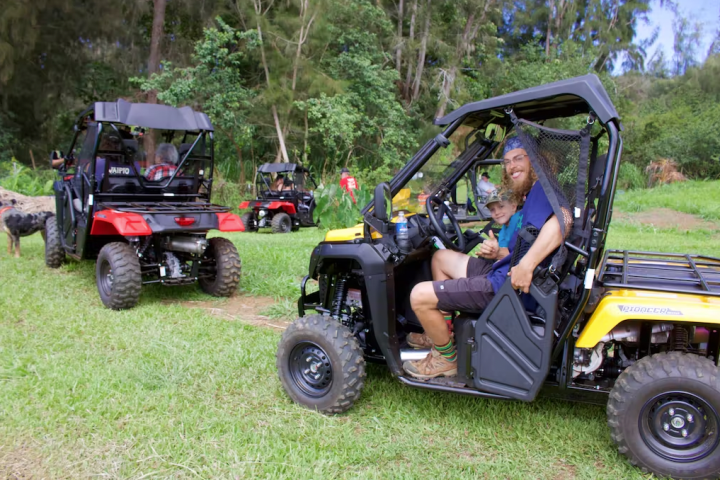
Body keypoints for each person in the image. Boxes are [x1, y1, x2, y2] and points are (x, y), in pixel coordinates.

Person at [402, 136, 568, 379]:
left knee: (418, 295)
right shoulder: (532, 193)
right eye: (507, 162)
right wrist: (505, 255)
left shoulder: (544, 189)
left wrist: (528, 264)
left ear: (536, 161)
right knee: (441, 258)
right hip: (501, 270)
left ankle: (445, 359)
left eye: (519, 158)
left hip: (505, 287)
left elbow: (564, 219)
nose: (512, 166)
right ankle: (440, 335)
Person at [405, 188, 520, 349]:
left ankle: (445, 352)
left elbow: (520, 254)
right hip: (497, 269)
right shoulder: (507, 226)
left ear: (514, 206)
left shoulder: (518, 221)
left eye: (501, 207)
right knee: (440, 258)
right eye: (492, 209)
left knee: (419, 293)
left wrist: (498, 253)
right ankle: (444, 331)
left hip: (503, 280)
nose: (497, 212)